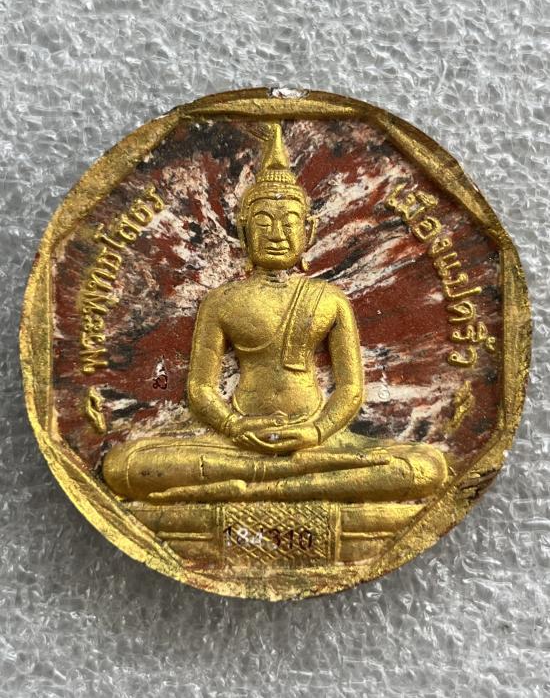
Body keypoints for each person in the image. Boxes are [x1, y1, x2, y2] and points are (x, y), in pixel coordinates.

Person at [103, 123, 447, 503]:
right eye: (264, 223)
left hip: (316, 441)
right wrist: (234, 426)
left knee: (424, 467)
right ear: (244, 231)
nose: (277, 234)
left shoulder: (329, 299)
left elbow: (351, 389)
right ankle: (291, 482)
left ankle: (263, 484)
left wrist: (316, 431)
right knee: (123, 466)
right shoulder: (222, 301)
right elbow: (200, 389)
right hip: (238, 441)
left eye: (289, 223)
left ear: (308, 231)